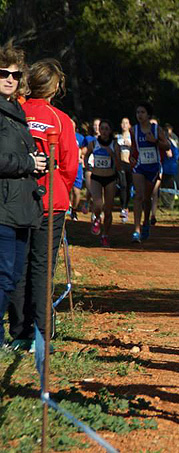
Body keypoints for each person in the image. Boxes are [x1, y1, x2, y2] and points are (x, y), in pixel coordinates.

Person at [6, 58, 77, 350]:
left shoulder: (16, 112)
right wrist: (63, 189)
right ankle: (41, 333)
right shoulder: (60, 118)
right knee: (43, 266)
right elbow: (70, 165)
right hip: (51, 202)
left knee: (18, 266)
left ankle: (20, 332)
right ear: (55, 87)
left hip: (19, 200)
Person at [0, 43, 46, 346]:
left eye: (15, 75)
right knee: (3, 278)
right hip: (3, 207)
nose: (9, 79)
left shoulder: (15, 110)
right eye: (2, 73)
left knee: (13, 277)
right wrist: (28, 163)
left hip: (21, 207)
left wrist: (37, 165)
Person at [129, 102, 169, 242]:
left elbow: (167, 146)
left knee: (147, 198)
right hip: (139, 166)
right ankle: (136, 230)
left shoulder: (157, 129)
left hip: (153, 167)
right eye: (138, 112)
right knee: (138, 196)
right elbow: (134, 147)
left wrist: (155, 141)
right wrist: (131, 156)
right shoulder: (133, 130)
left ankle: (146, 222)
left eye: (142, 112)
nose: (140, 115)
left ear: (148, 115)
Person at [84, 119, 121, 247]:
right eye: (102, 128)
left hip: (110, 178)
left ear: (110, 131)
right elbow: (86, 155)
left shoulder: (115, 145)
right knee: (98, 203)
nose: (104, 131)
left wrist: (113, 156)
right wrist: (87, 166)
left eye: (106, 129)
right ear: (99, 130)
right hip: (96, 177)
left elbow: (120, 166)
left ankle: (105, 235)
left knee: (108, 210)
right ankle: (96, 218)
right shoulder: (93, 144)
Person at [159, 123, 179, 210]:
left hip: (169, 167)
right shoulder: (169, 141)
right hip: (167, 167)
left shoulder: (170, 142)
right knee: (165, 186)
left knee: (168, 186)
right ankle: (166, 204)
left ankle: (168, 205)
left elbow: (176, 154)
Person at [116, 117, 132, 223]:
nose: (124, 125)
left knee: (129, 186)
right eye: (123, 123)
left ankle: (126, 207)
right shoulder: (118, 137)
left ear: (129, 125)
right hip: (121, 164)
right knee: (123, 185)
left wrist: (130, 144)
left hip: (130, 164)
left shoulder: (132, 137)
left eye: (126, 123)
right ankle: (123, 207)